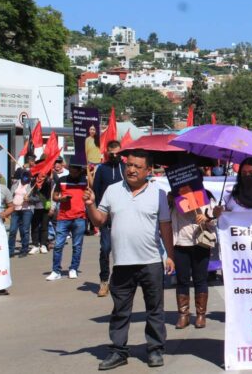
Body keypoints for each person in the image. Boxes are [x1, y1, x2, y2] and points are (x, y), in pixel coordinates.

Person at [83, 149, 173, 370]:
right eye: (129, 165)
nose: (131, 169)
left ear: (148, 171)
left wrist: (169, 255)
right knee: (120, 310)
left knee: (155, 309)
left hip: (151, 261)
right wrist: (90, 205)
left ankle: (154, 350)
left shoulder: (158, 193)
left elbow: (165, 227)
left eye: (137, 166)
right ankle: (118, 351)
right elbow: (99, 221)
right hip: (122, 262)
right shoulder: (113, 191)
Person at [168, 189, 216, 329]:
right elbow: (166, 219)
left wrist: (207, 217)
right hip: (180, 244)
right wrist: (171, 201)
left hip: (200, 243)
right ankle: (183, 315)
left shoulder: (205, 195)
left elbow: (216, 219)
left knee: (200, 279)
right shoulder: (173, 197)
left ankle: (201, 315)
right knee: (182, 280)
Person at [92, 140, 125, 297]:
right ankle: (104, 281)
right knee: (105, 249)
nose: (115, 156)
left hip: (124, 216)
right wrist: (98, 215)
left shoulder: (125, 168)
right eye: (112, 153)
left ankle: (119, 281)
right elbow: (96, 192)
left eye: (117, 153)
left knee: (122, 249)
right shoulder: (102, 169)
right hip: (106, 217)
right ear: (107, 153)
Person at [46, 160, 87, 281]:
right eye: (72, 170)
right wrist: (61, 199)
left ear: (80, 170)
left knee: (77, 246)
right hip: (63, 218)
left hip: (79, 217)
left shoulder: (85, 181)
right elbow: (54, 196)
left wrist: (90, 170)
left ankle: (73, 268)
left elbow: (93, 187)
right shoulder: (62, 179)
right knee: (58, 245)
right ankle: (56, 271)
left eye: (76, 171)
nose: (73, 173)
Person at [8, 170, 34, 257]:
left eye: (27, 176)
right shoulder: (15, 184)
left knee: (25, 230)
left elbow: (37, 198)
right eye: (24, 176)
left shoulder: (32, 185)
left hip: (26, 210)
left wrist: (29, 199)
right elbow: (10, 196)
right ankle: (10, 251)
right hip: (15, 209)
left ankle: (24, 250)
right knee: (12, 230)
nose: (25, 178)